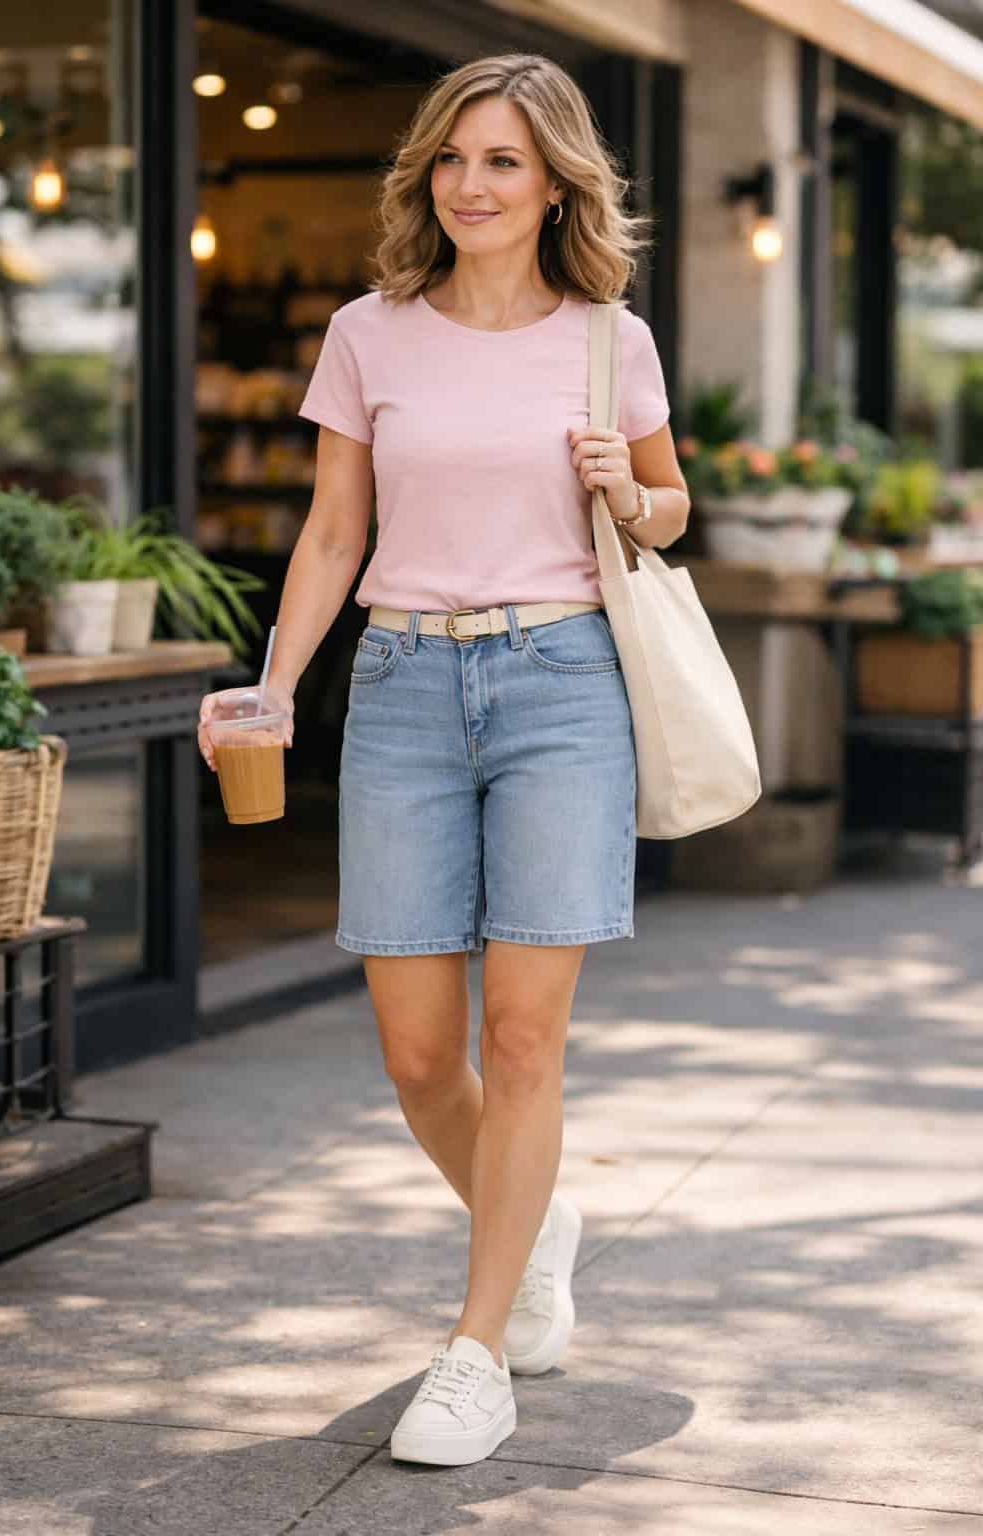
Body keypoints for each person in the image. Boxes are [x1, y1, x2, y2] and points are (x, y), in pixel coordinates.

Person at [197, 51, 689, 1469]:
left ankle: (477, 1352)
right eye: (454, 158)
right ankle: (535, 1224)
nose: (472, 184)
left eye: (504, 161)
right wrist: (275, 685)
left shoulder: (609, 339)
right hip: (405, 686)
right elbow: (332, 533)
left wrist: (628, 489)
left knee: (520, 1039)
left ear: (556, 187)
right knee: (419, 1057)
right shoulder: (370, 333)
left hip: (562, 686)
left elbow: (671, 509)